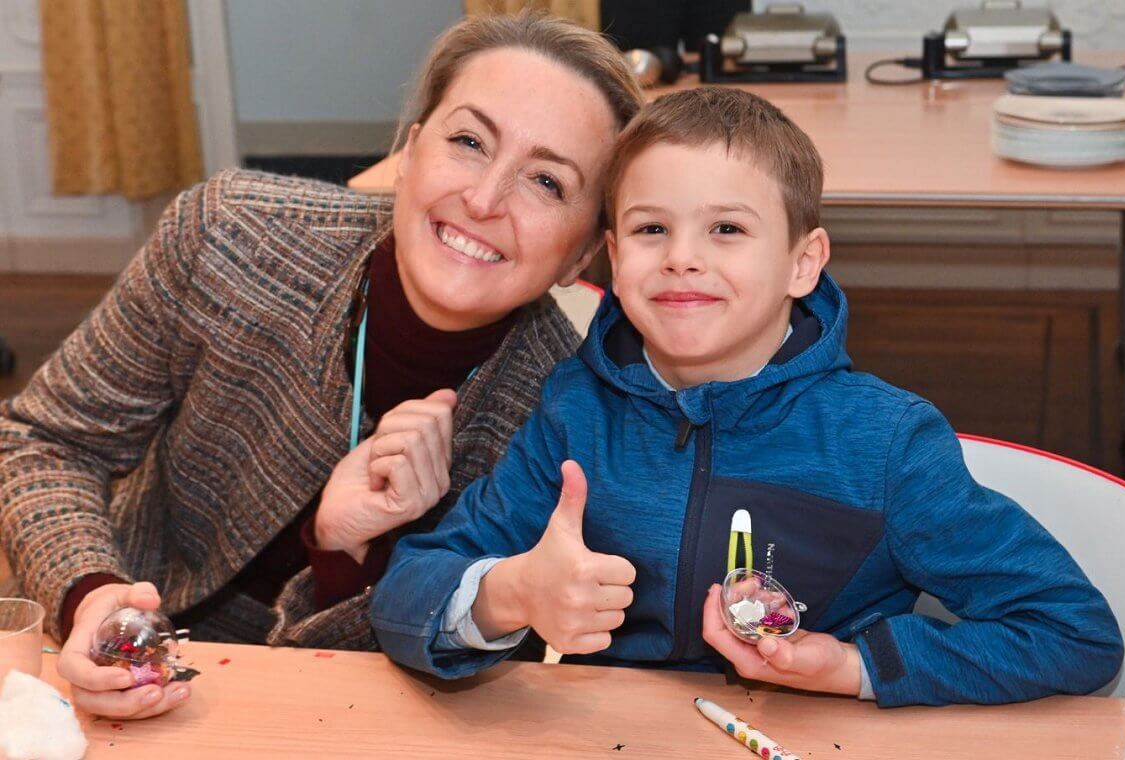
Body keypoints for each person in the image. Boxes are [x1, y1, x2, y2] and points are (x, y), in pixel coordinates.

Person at [370, 87, 1124, 707]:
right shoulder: (576, 410)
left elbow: (1073, 634)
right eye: (651, 228)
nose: (683, 258)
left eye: (727, 228)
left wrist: (854, 668)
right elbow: (406, 592)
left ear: (803, 262)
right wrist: (509, 593)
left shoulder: (885, 445)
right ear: (613, 255)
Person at [0, 11, 643, 720]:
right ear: (408, 150)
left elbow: (464, 659)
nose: (486, 200)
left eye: (547, 183)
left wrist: (344, 555)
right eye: (467, 142)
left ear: (585, 255)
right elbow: (46, 439)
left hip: (352, 707)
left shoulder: (566, 412)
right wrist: (90, 592)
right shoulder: (231, 235)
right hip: (127, 633)